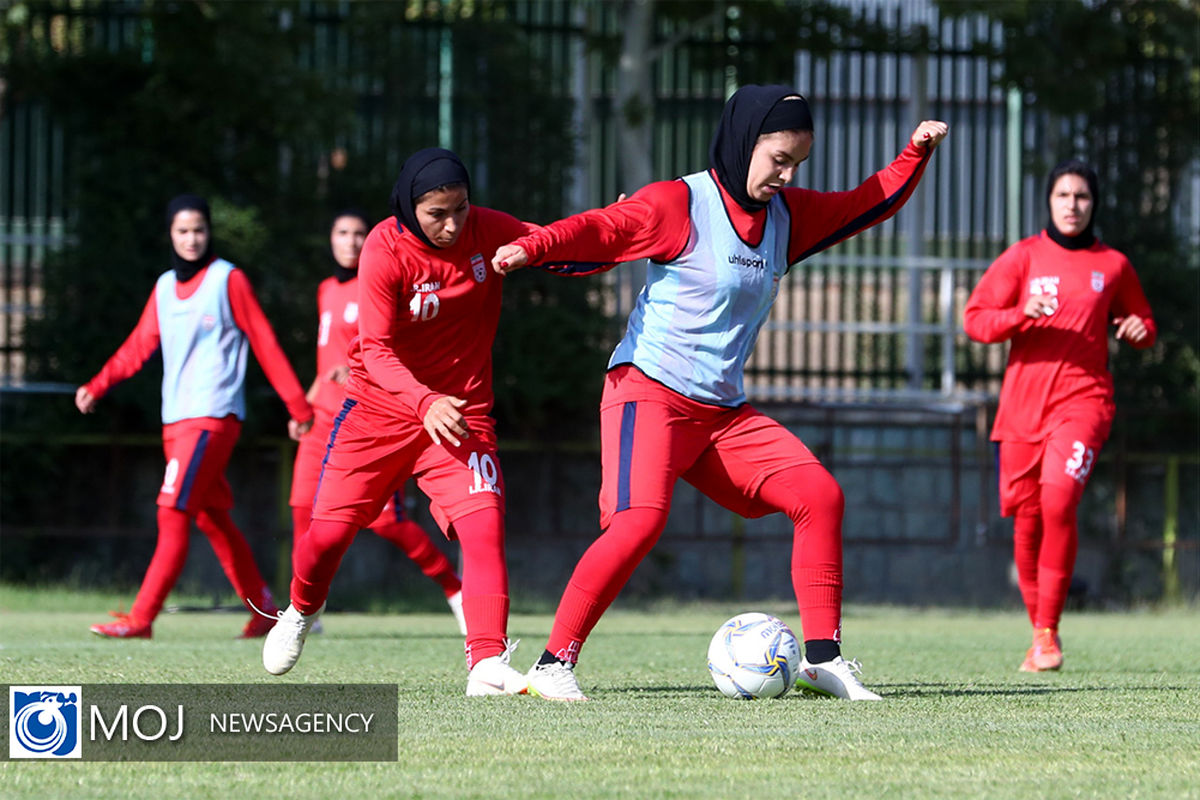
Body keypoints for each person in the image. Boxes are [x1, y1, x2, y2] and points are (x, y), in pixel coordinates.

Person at [492, 84, 948, 701]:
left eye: (798, 165)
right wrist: (532, 246)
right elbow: (599, 229)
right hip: (646, 394)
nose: (786, 176)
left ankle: (822, 660)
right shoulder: (680, 203)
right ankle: (552, 666)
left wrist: (914, 153)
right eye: (778, 159)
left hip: (721, 414)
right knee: (637, 523)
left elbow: (866, 203)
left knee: (820, 495)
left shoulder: (788, 218)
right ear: (743, 141)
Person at [262, 148, 558, 696]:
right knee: (323, 540)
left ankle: (486, 663)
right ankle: (301, 609)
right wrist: (423, 401)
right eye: (437, 214)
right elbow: (373, 350)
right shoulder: (384, 247)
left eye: (461, 210)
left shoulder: (484, 229)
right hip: (378, 414)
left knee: (485, 525)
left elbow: (553, 243)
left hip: (460, 414)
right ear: (408, 209)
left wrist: (611, 233)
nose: (452, 225)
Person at [77, 193, 314, 639]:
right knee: (213, 518)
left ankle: (141, 618)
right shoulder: (165, 286)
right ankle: (264, 609)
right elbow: (139, 345)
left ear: (209, 233)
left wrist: (297, 405)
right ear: (170, 234)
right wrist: (98, 383)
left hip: (211, 417)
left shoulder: (228, 280)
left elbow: (263, 341)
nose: (191, 239)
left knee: (172, 513)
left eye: (199, 230)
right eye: (182, 230)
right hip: (176, 420)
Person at [964, 159, 1155, 672]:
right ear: (1048, 202)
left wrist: (1140, 330)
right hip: (1023, 409)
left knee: (1060, 500)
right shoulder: (1023, 258)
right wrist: (1020, 314)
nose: (1073, 205)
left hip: (1085, 402)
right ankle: (1040, 636)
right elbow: (976, 321)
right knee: (1026, 525)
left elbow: (1144, 321)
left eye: (1082, 197)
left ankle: (1049, 635)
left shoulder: (1112, 264)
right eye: (1063, 196)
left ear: (1094, 204)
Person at [290, 210, 466, 635]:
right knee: (302, 512)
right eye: (342, 233)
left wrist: (356, 377)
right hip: (321, 422)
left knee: (387, 522)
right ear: (330, 239)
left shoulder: (380, 280)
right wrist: (305, 406)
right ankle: (307, 611)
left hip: (364, 421)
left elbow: (388, 353)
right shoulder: (325, 290)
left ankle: (455, 591)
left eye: (358, 234)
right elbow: (327, 360)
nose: (350, 242)